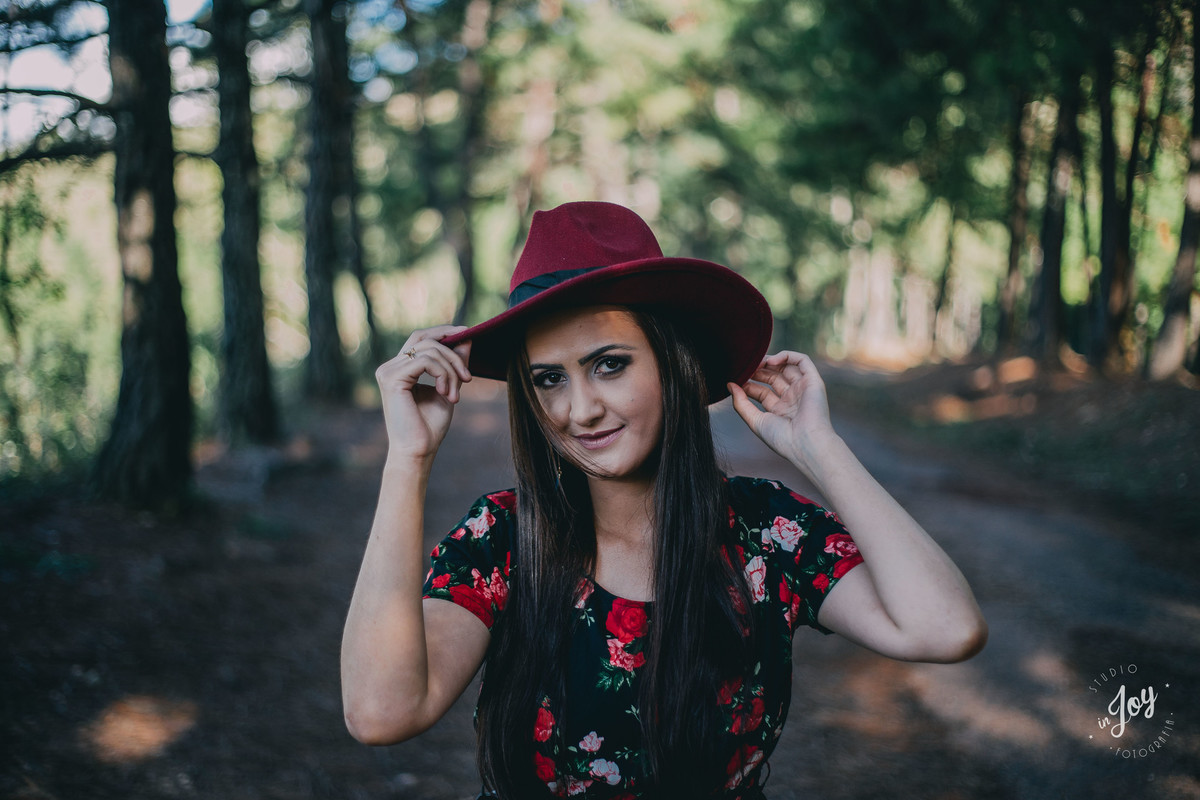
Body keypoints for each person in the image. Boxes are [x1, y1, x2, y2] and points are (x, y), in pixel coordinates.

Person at [340, 201, 987, 799]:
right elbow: (381, 712)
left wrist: (818, 449)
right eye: (548, 379)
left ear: (669, 363)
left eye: (609, 364)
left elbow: (945, 628)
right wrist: (408, 458)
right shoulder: (504, 536)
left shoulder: (765, 530)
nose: (580, 409)